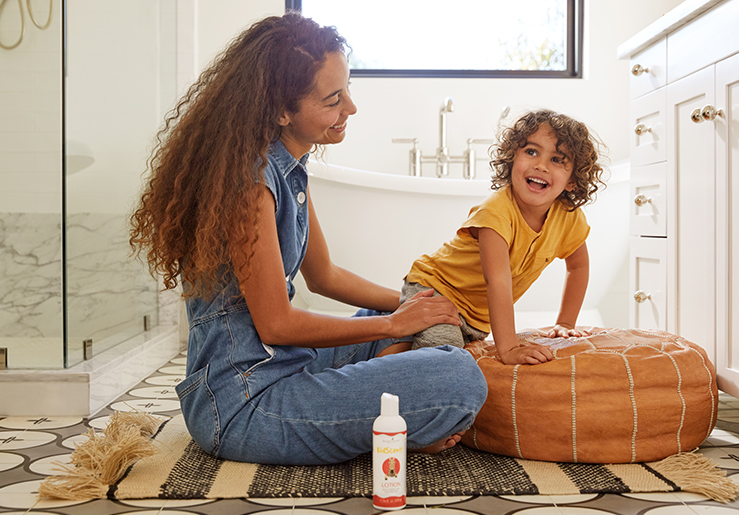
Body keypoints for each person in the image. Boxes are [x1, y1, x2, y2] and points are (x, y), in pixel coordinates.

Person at [128, 12, 487, 466]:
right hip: (243, 403)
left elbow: (326, 276)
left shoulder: (288, 168)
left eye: (348, 91)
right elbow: (277, 324)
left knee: (389, 311)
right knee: (458, 375)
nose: (350, 108)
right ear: (281, 109)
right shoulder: (249, 185)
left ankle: (390, 414)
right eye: (333, 98)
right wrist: (395, 325)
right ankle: (399, 417)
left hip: (286, 364)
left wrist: (418, 302)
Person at [401, 110, 604, 366]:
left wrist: (565, 323)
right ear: (511, 159)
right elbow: (497, 280)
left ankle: (383, 346)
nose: (541, 165)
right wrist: (508, 349)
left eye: (556, 159)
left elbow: (578, 266)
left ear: (572, 181)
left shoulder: (568, 217)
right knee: (443, 359)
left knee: (417, 349)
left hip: (475, 316)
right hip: (437, 292)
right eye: (531, 152)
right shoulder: (495, 213)